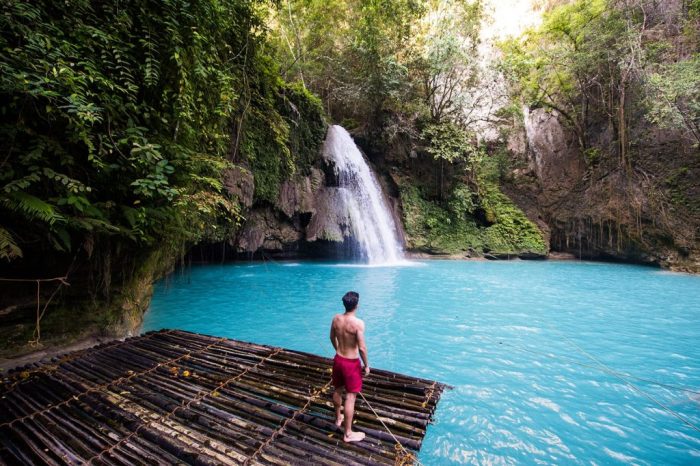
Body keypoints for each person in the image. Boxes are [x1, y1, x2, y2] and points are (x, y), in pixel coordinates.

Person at [329, 291, 370, 443]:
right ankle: (348, 433)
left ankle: (338, 418)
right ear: (357, 305)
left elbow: (331, 337)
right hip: (351, 364)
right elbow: (362, 348)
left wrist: (338, 350)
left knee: (338, 389)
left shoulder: (336, 319)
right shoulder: (358, 324)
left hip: (339, 359)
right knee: (351, 397)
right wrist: (366, 366)